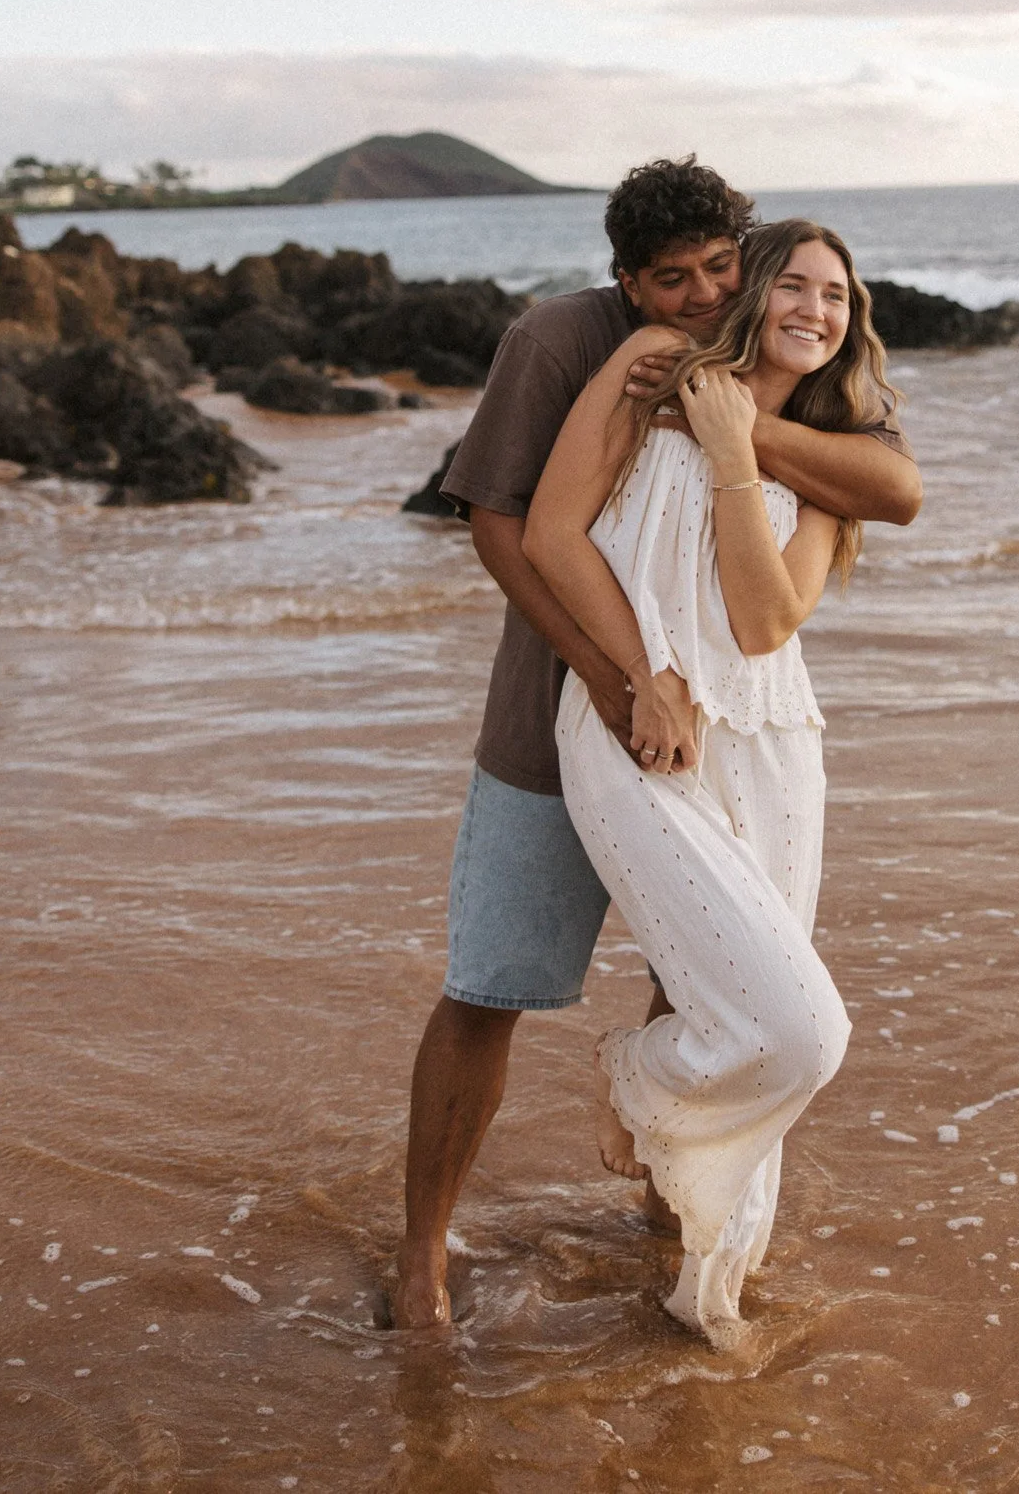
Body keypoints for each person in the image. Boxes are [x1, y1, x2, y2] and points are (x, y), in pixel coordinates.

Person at [393, 167, 921, 1330]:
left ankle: (672, 1228)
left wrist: (743, 432)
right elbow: (504, 523)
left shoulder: (794, 369)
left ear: (747, 252)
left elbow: (887, 489)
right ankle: (422, 1254)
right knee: (493, 982)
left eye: (717, 267)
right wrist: (624, 677)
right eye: (667, 278)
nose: (696, 294)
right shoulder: (571, 343)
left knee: (699, 984)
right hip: (560, 711)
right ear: (624, 281)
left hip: (728, 734)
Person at [523, 219, 896, 1343]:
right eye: (793, 281)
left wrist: (739, 451)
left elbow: (763, 617)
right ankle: (635, 1069)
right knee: (797, 1026)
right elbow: (549, 535)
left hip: (775, 742)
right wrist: (643, 674)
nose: (815, 309)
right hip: (642, 737)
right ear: (751, 291)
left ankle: (705, 1293)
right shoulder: (647, 373)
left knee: (774, 1027)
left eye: (837, 296)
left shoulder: (826, 456)